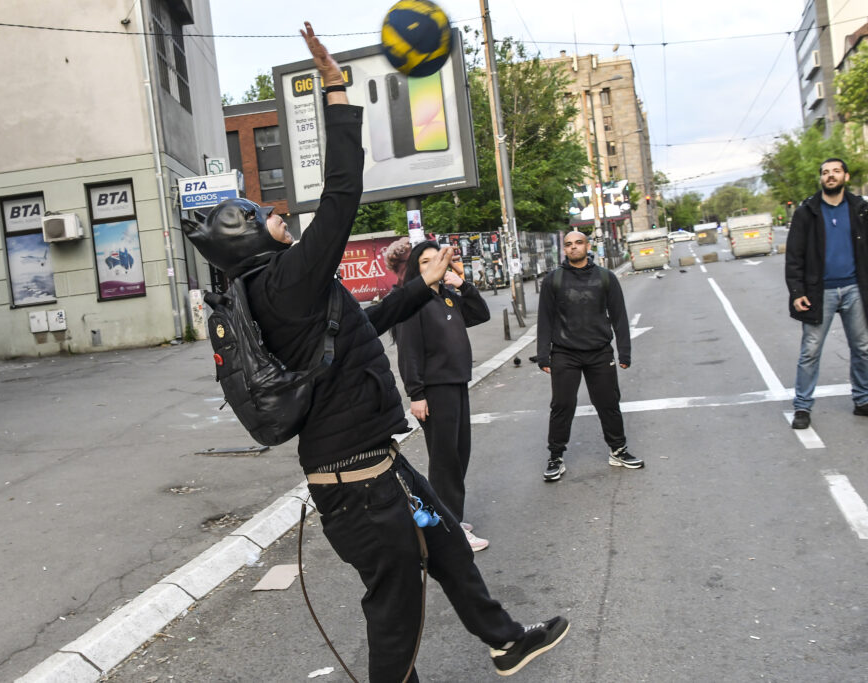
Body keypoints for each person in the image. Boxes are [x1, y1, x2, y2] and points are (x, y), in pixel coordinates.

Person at [181, 24, 568, 682]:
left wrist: (425, 282)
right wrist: (335, 90)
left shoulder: (285, 291)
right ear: (245, 241)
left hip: (377, 465)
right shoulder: (283, 281)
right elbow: (341, 194)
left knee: (447, 545)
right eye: (259, 213)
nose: (275, 211)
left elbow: (369, 317)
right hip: (358, 485)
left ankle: (503, 639)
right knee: (396, 615)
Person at [393, 241, 492, 552]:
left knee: (459, 454)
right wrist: (416, 394)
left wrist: (463, 284)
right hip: (435, 391)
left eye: (437, 260)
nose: (432, 266)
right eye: (424, 262)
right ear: (415, 268)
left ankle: (450, 517)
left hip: (457, 384)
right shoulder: (413, 301)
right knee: (445, 461)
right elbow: (408, 352)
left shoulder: (447, 297)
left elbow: (480, 313)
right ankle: (449, 530)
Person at [785, 158, 868, 430]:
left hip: (856, 288)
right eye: (825, 173)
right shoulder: (807, 212)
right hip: (819, 292)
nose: (830, 176)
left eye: (835, 172)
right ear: (820, 178)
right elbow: (794, 256)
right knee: (810, 350)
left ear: (845, 175)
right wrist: (797, 291)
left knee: (862, 348)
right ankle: (802, 406)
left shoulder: (861, 209)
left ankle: (864, 401)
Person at [536, 230, 642, 482]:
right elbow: (545, 319)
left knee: (608, 403)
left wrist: (624, 352)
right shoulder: (554, 280)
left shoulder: (606, 278)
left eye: (578, 243)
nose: (573, 248)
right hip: (564, 353)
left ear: (587, 246)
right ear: (565, 249)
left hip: (599, 352)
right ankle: (555, 456)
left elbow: (619, 316)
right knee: (562, 406)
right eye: (569, 244)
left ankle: (618, 450)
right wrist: (543, 356)